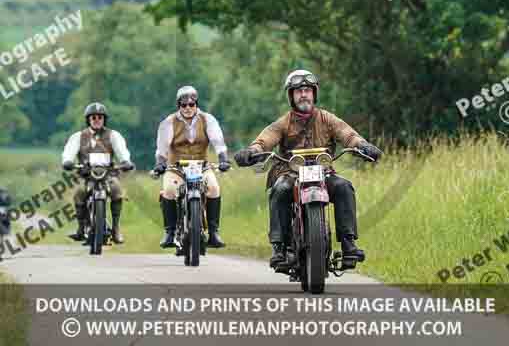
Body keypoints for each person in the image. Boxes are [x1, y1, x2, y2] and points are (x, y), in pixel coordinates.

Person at [234, 69, 382, 268]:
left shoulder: (327, 118)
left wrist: (363, 145)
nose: (303, 94)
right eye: (298, 91)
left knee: (344, 187)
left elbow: (348, 134)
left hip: (323, 173)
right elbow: (265, 139)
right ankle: (280, 247)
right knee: (280, 189)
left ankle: (349, 244)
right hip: (290, 173)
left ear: (314, 93)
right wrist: (252, 151)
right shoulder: (283, 122)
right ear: (291, 96)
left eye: (307, 90)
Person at [155, 85, 231, 250]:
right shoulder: (169, 122)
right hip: (176, 168)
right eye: (184, 105)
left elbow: (218, 141)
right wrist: (160, 163)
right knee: (169, 190)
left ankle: (214, 233)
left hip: (202, 166)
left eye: (192, 104)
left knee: (213, 188)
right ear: (179, 106)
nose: (188, 108)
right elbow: (162, 148)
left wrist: (223, 159)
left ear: (196, 104)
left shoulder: (208, 119)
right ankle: (169, 232)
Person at [62, 102, 134, 244]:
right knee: (79, 194)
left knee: (117, 191)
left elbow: (122, 151)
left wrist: (125, 161)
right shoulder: (78, 136)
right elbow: (69, 151)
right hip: (86, 176)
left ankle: (116, 228)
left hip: (108, 175)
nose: (96, 120)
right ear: (88, 119)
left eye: (100, 117)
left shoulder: (113, 135)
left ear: (104, 119)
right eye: (93, 117)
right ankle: (81, 228)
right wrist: (68, 161)